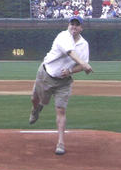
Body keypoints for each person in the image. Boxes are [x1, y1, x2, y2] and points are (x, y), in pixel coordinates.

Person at [29, 15, 93, 155]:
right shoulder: (63, 36)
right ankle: (35, 110)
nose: (74, 27)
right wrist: (84, 64)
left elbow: (81, 65)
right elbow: (71, 53)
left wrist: (71, 70)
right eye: (72, 24)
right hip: (46, 74)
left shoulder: (84, 45)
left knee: (61, 110)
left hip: (64, 82)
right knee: (35, 99)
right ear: (68, 25)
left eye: (77, 25)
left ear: (81, 28)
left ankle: (61, 143)